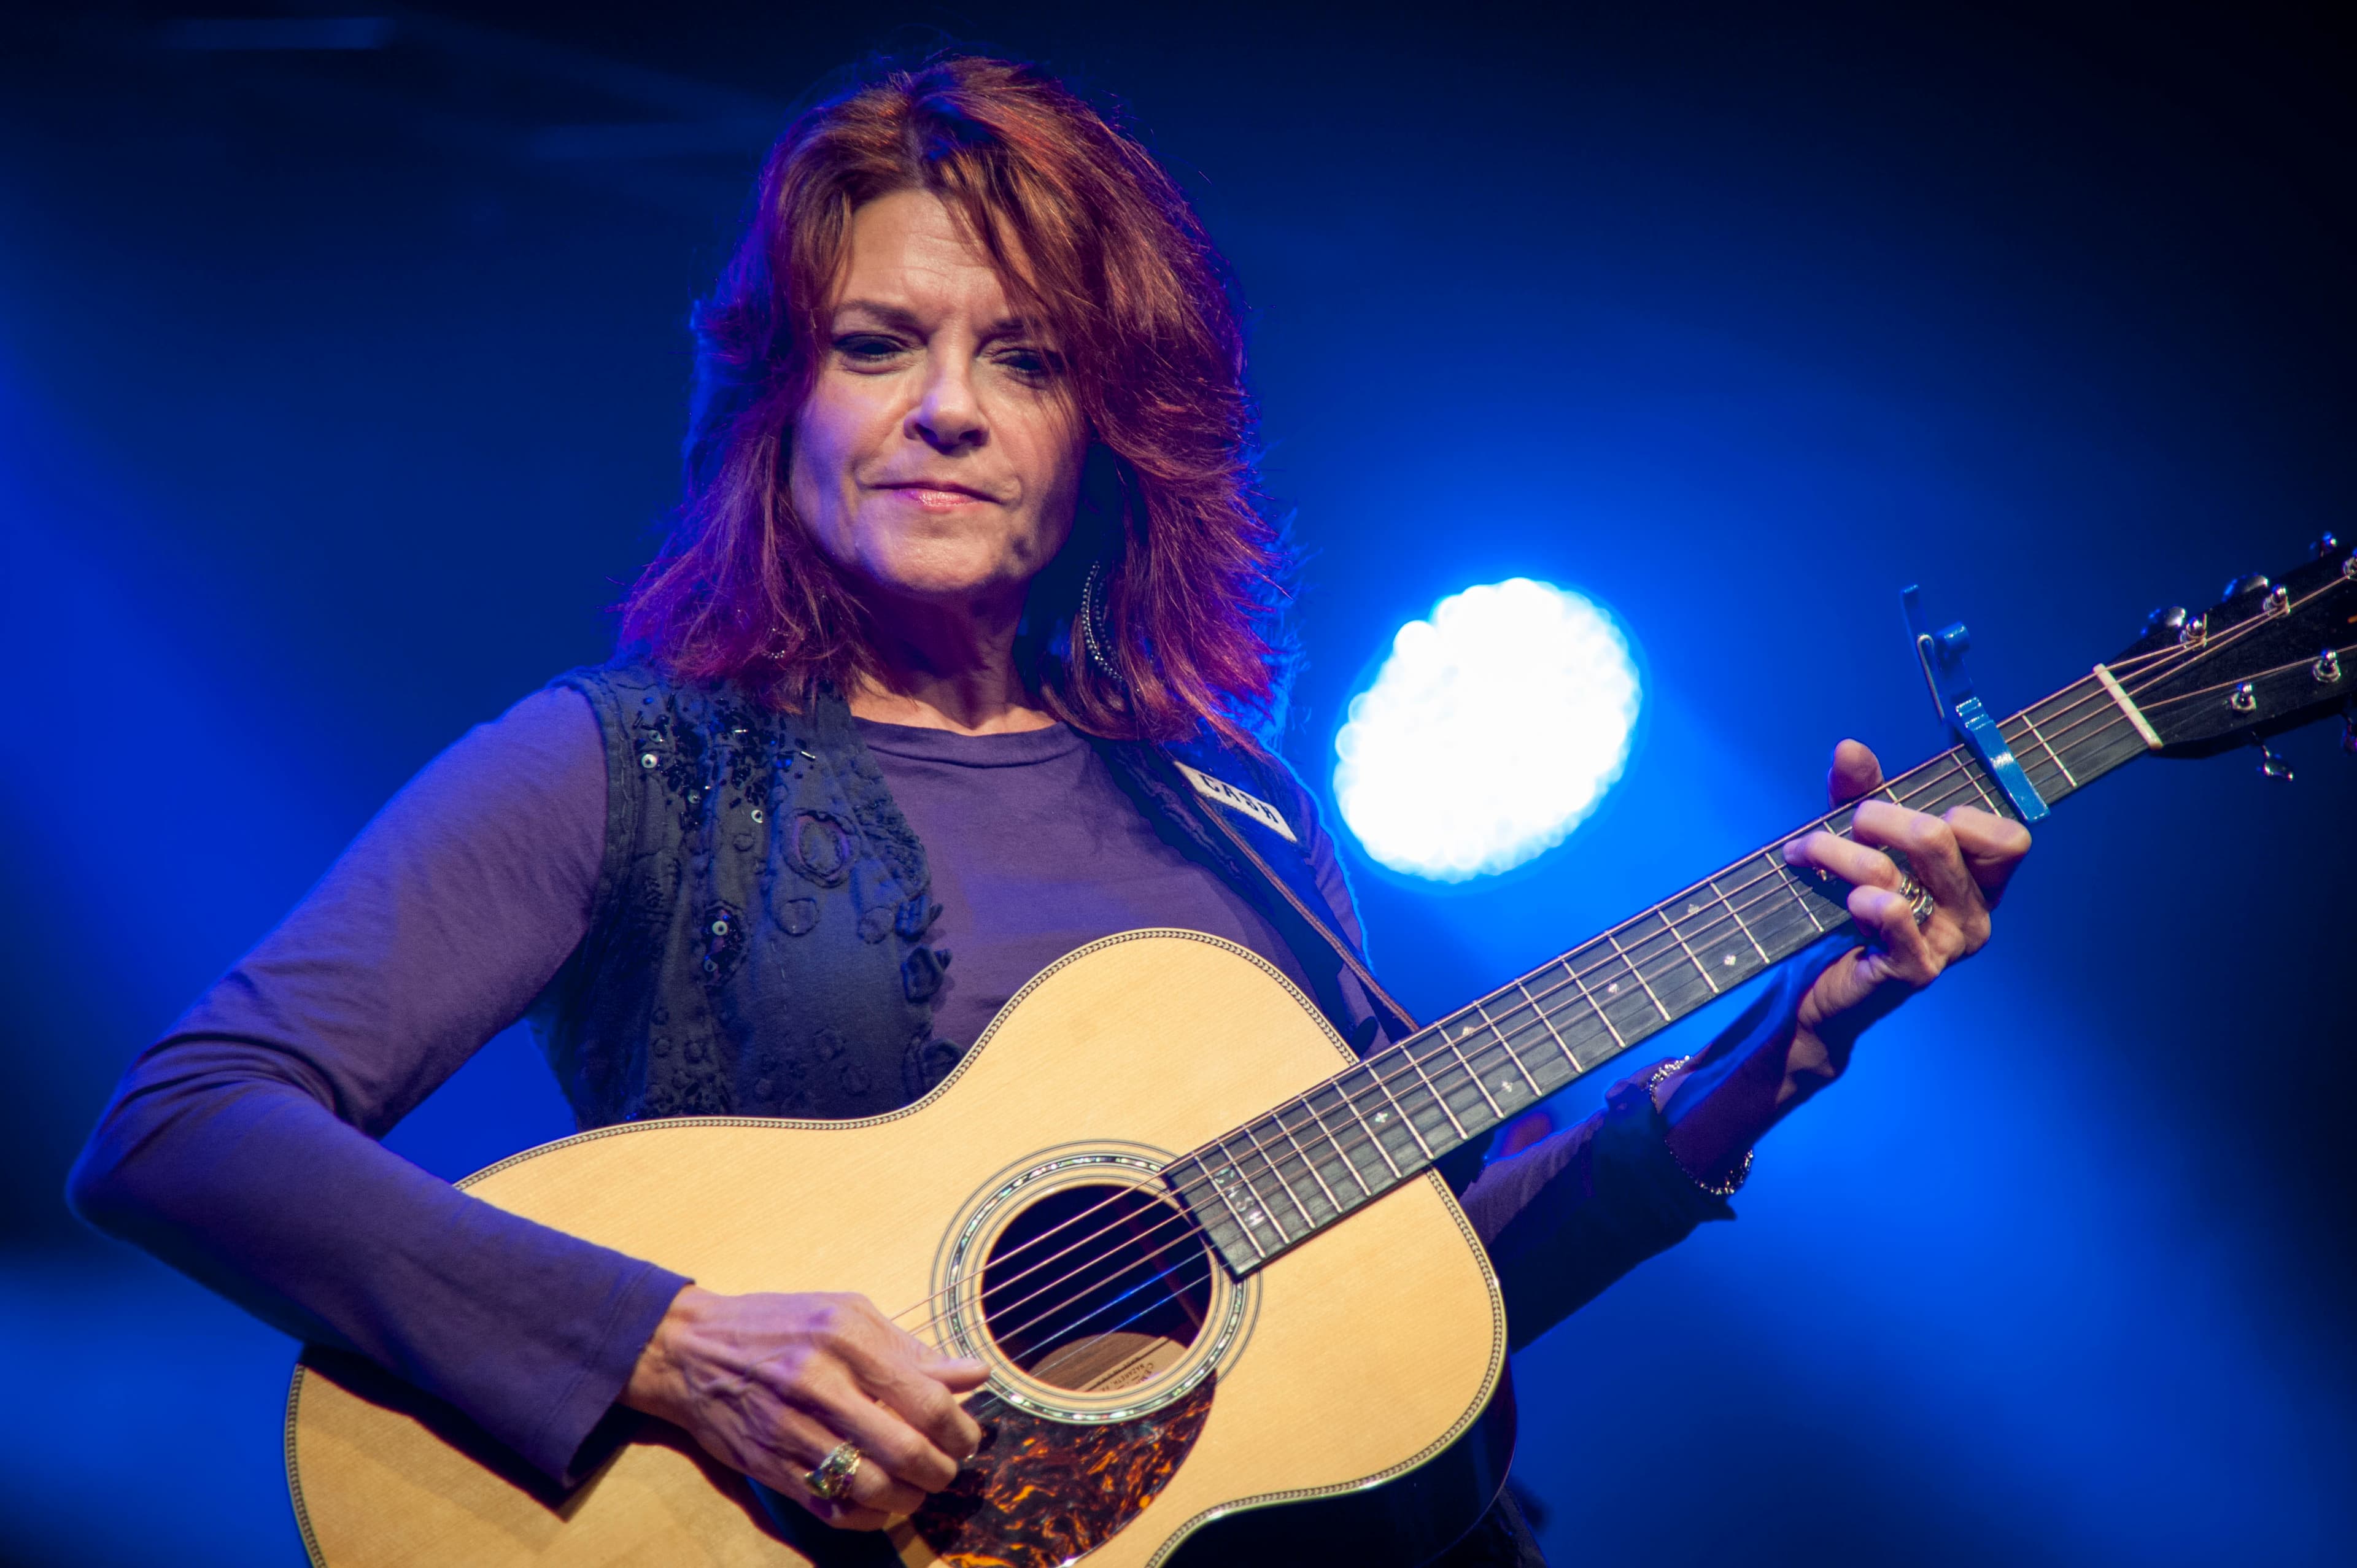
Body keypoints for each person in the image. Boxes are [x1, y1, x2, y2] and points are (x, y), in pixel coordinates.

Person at [67, 56, 2031, 1567]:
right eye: (878, 346)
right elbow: (181, 1129)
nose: (948, 406)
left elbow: (1405, 1321)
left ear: (1108, 428)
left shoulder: (1235, 806)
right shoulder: (623, 762)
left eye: (1022, 360)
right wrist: (670, 1342)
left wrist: (1762, 1067)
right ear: (782, 403)